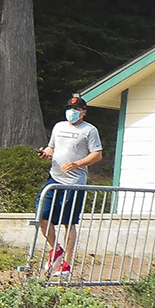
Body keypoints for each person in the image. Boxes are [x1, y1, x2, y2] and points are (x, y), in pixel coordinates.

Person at [35, 93, 103, 277]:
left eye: (77, 110)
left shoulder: (89, 130)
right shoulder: (59, 127)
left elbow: (97, 154)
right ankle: (55, 249)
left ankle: (66, 265)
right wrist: (46, 153)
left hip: (74, 182)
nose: (72, 112)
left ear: (83, 112)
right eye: (70, 109)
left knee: (68, 222)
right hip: (54, 179)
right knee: (42, 217)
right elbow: (52, 147)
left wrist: (78, 164)